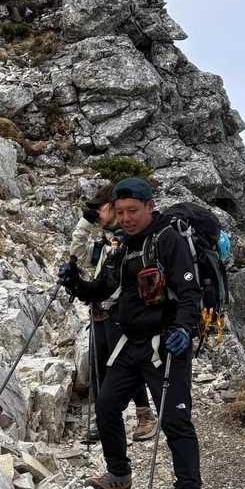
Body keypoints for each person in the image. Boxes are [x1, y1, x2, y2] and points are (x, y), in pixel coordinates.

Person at [59, 176, 203, 489]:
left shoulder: (168, 240)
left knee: (175, 420)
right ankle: (119, 475)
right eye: (120, 211)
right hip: (130, 343)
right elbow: (101, 289)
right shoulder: (122, 247)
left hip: (166, 344)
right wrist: (75, 282)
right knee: (107, 406)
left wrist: (184, 329)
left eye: (133, 211)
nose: (126, 218)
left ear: (150, 207)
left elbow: (190, 294)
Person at [77, 184, 156, 442]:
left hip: (120, 314)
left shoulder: (127, 241)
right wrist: (85, 223)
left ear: (111, 207)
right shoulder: (106, 241)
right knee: (100, 365)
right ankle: (105, 420)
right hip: (100, 313)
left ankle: (145, 416)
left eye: (98, 209)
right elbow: (78, 255)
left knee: (125, 365)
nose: (96, 214)